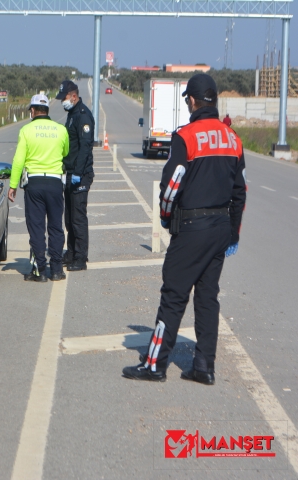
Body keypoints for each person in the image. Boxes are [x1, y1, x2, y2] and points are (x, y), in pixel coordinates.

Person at [122, 74, 246, 385]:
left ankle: (154, 365)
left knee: (174, 295)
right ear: (214, 100)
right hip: (219, 228)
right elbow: (240, 190)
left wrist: (165, 217)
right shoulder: (233, 138)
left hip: (192, 227)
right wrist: (233, 233)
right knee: (207, 298)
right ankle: (204, 366)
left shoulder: (186, 136)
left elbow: (173, 182)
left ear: (191, 100)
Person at [8, 93, 69, 282]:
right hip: (55, 182)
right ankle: (57, 269)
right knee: (56, 227)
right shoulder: (61, 130)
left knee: (36, 228)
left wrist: (12, 185)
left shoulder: (26, 130)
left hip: (34, 184)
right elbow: (65, 152)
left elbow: (18, 160)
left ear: (33, 110)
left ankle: (40, 270)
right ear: (47, 110)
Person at [55, 80, 95, 271]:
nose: (63, 101)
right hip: (70, 173)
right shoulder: (71, 114)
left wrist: (78, 172)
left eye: (64, 97)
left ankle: (80, 257)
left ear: (73, 95)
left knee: (78, 218)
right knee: (69, 218)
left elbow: (85, 147)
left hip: (81, 174)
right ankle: (70, 253)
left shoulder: (83, 116)